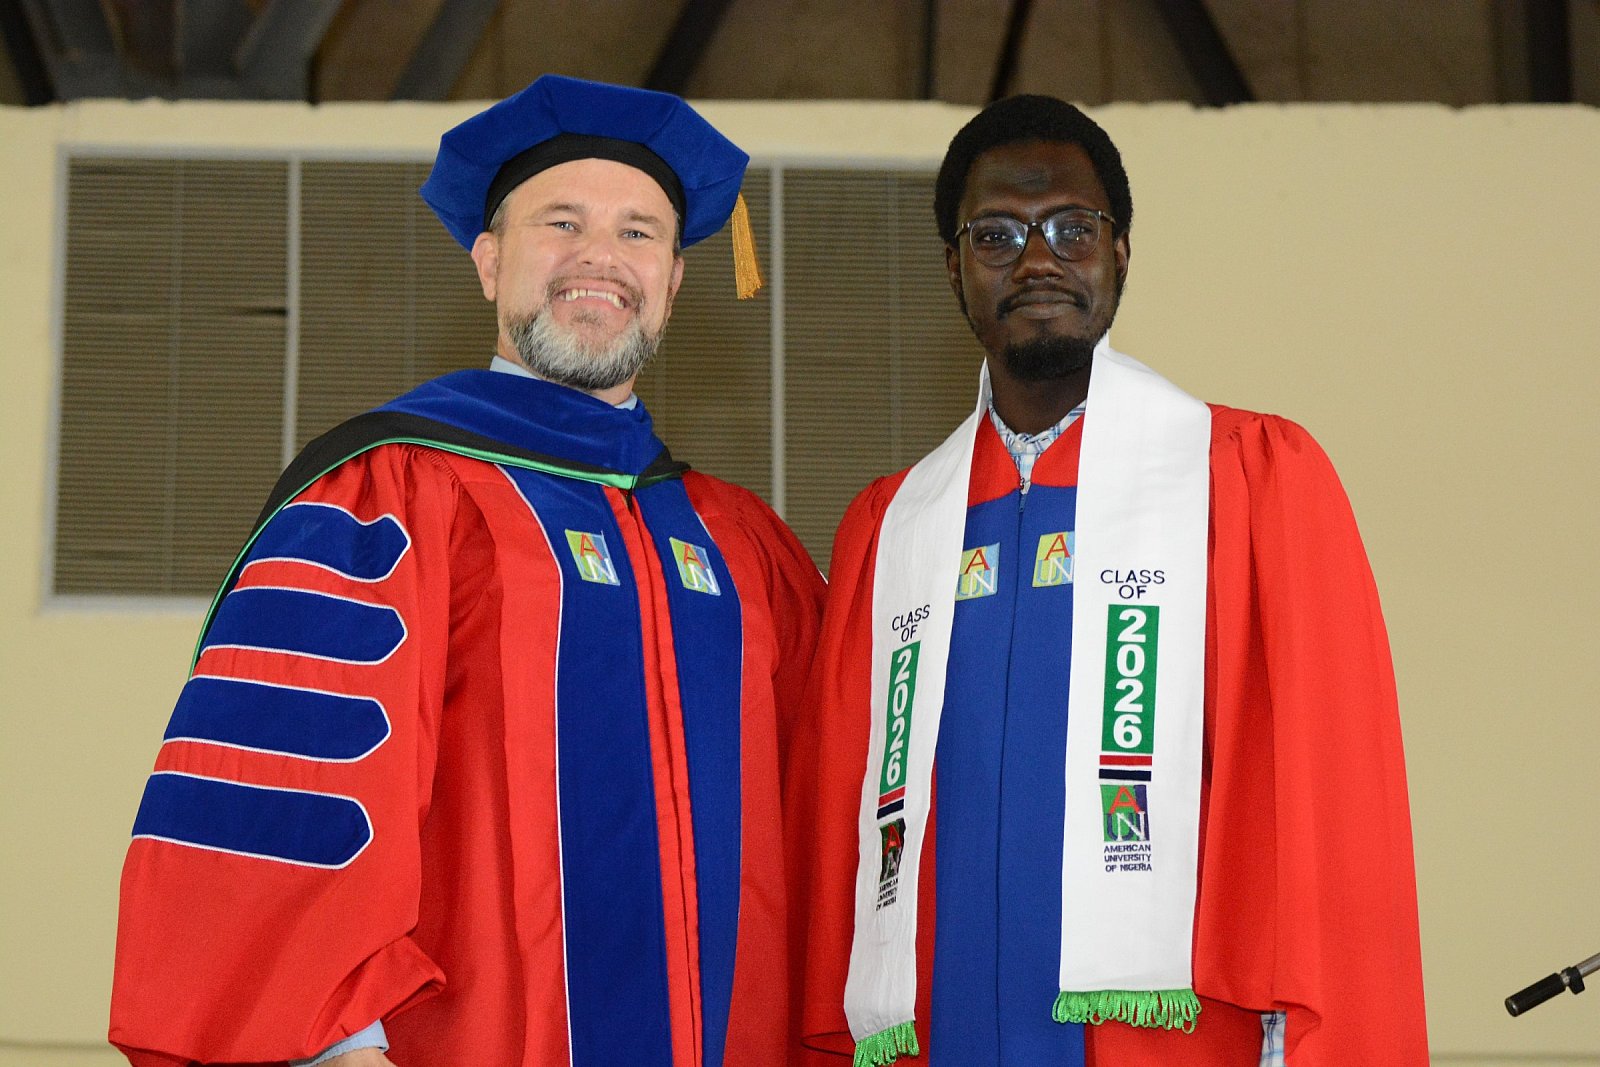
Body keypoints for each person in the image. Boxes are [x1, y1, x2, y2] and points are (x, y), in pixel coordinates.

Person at [109, 74, 823, 1067]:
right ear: (489, 261)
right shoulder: (390, 490)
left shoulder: (744, 545)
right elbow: (286, 790)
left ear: (673, 278)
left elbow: (830, 820)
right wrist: (337, 1045)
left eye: (637, 232)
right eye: (561, 222)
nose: (599, 257)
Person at [789, 95, 1428, 1066]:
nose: (1036, 260)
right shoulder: (892, 530)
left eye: (1071, 228)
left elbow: (1327, 813)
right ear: (953, 268)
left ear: (1120, 251)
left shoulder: (1247, 480)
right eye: (996, 234)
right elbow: (836, 845)